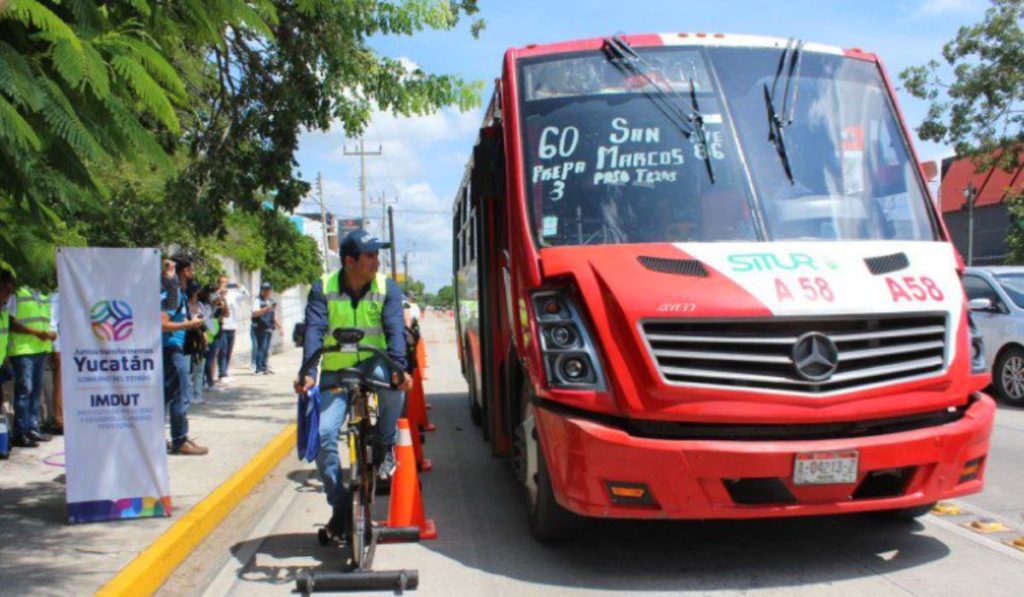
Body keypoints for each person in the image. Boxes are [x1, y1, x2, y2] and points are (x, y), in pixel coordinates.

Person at [295, 229, 413, 542]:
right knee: (323, 435)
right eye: (370, 255)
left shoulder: (386, 287)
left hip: (374, 360)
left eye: (377, 255)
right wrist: (308, 371)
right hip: (336, 367)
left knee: (391, 387)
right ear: (349, 260)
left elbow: (394, 330)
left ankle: (385, 443)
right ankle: (341, 506)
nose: (377, 261)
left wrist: (399, 368)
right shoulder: (323, 287)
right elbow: (314, 330)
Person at [161, 256, 209, 455]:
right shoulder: (172, 294)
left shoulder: (176, 292)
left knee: (165, 396)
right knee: (182, 394)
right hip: (172, 349)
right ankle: (180, 440)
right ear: (185, 271)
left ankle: (161, 438)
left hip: (171, 349)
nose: (194, 273)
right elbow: (162, 324)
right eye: (192, 269)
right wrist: (190, 324)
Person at [6, 284, 58, 448]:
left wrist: (50, 333)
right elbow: (10, 321)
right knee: (25, 390)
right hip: (23, 350)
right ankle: (20, 432)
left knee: (36, 391)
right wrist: (36, 333)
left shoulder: (43, 294)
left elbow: (48, 321)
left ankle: (32, 428)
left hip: (40, 349)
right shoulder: (18, 292)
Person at [251, 282, 279, 375]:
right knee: (261, 348)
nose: (268, 292)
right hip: (260, 327)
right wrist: (265, 309)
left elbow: (273, 315)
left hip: (268, 327)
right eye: (266, 290)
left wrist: (279, 326)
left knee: (266, 349)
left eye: (269, 290)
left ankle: (264, 366)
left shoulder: (270, 301)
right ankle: (259, 368)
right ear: (262, 291)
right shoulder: (258, 300)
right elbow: (254, 313)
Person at [216, 276, 241, 383]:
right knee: (223, 350)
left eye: (226, 283)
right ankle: (222, 373)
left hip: (232, 326)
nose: (224, 285)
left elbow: (246, 295)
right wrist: (219, 293)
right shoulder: (216, 295)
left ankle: (225, 370)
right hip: (222, 326)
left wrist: (238, 287)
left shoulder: (233, 295)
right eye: (222, 283)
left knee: (229, 350)